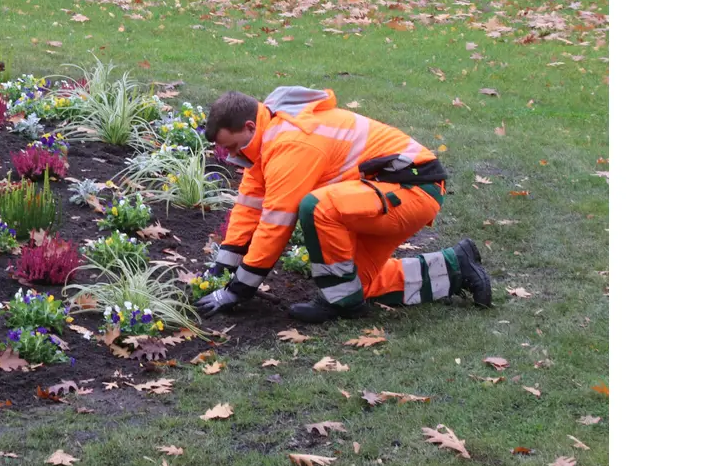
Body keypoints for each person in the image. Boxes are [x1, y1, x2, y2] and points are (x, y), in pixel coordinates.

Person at [196, 87, 492, 323]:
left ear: (250, 126)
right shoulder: (268, 136)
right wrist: (221, 269)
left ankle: (339, 305)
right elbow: (249, 208)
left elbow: (276, 223)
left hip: (411, 189)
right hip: (386, 191)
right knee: (357, 284)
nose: (233, 155)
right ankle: (457, 266)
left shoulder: (291, 142)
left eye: (233, 146)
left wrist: (238, 290)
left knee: (318, 207)